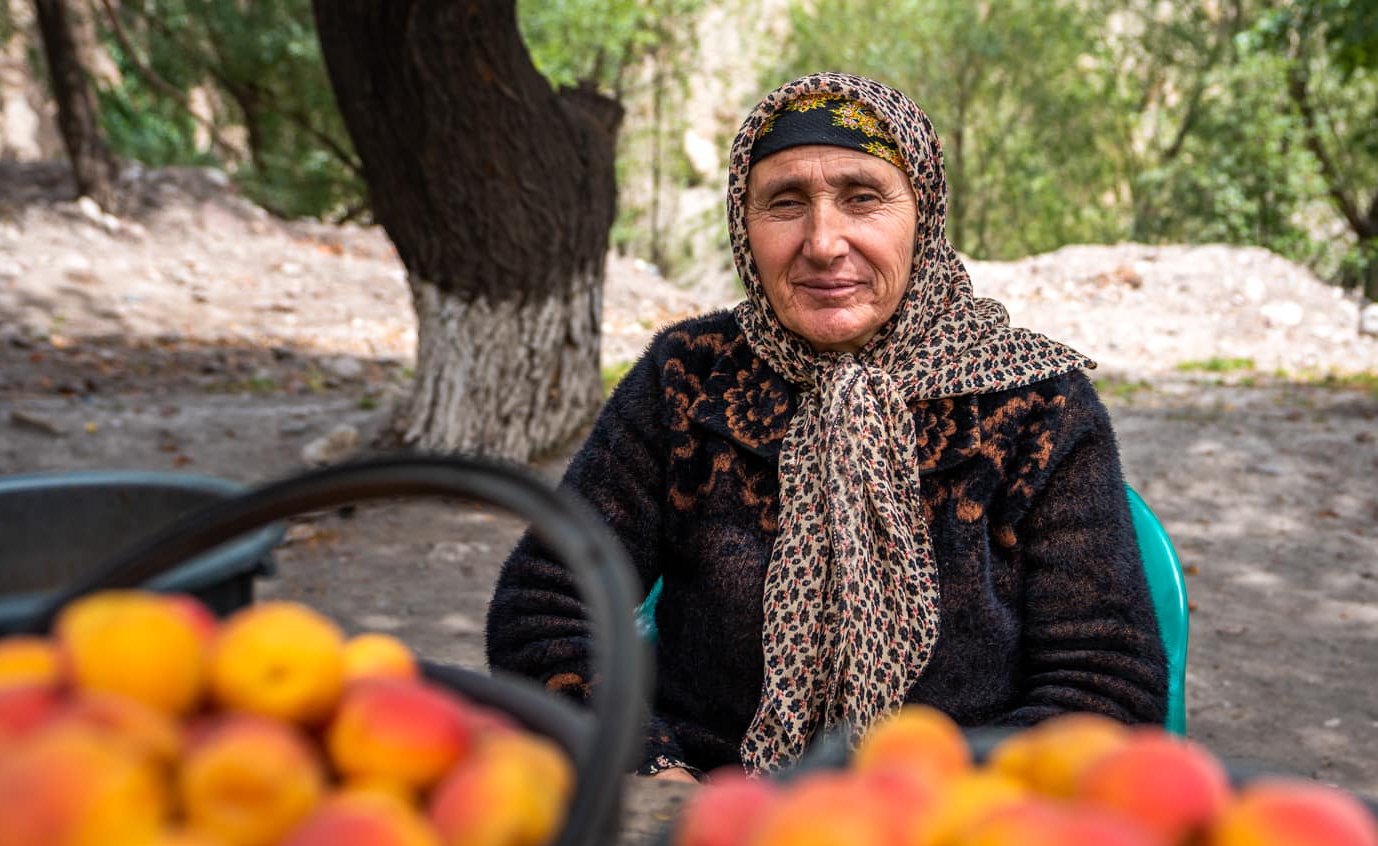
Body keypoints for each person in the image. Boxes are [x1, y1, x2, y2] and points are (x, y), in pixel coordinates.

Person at [485, 72, 1167, 781]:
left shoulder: (1036, 406)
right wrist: (653, 770)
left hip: (957, 825)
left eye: (863, 197)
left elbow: (1107, 687)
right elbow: (545, 607)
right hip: (708, 809)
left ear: (923, 215)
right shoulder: (688, 379)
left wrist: (935, 816)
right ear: (744, 225)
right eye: (785, 202)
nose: (822, 242)